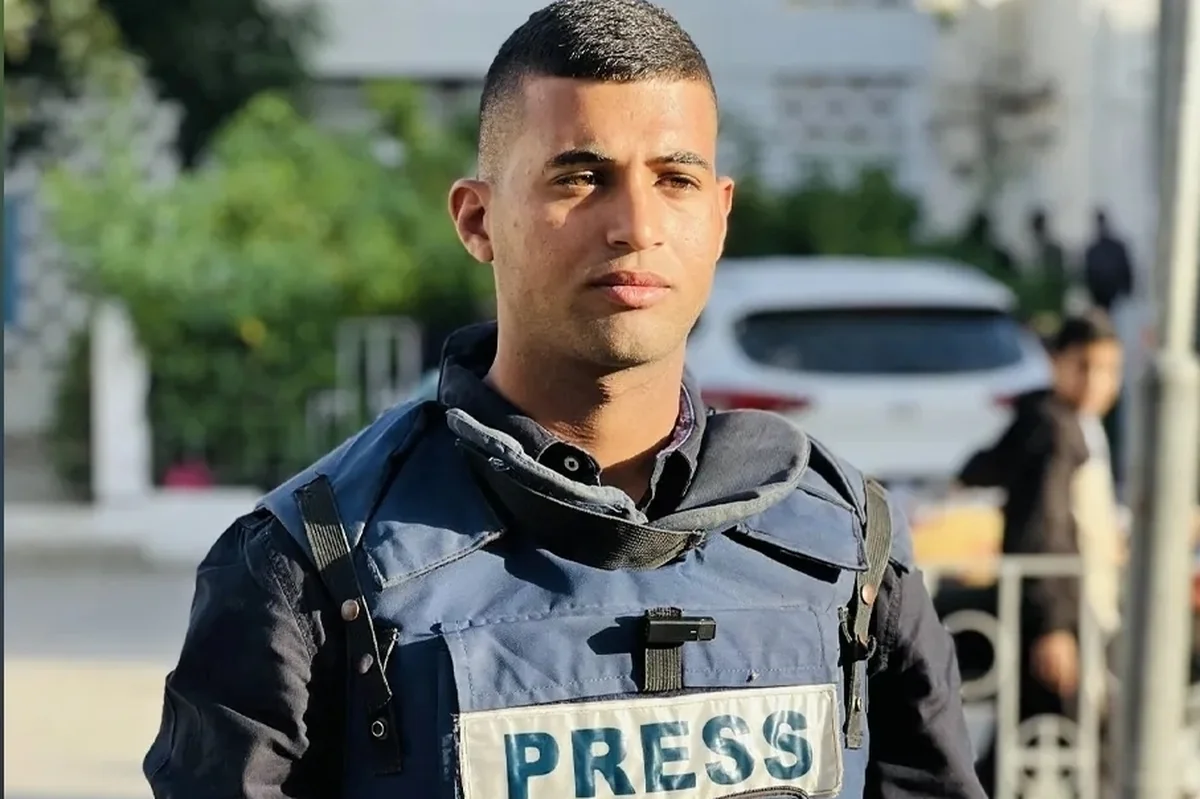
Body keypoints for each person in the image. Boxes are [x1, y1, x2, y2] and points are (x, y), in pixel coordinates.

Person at [143, 2, 984, 797]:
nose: (636, 226)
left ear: (720, 216)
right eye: (581, 177)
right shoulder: (310, 567)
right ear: (477, 220)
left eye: (676, 179)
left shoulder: (849, 548)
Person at [958, 311, 1125, 795]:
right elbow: (1042, 530)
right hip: (1057, 613)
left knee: (1022, 745)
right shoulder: (1053, 427)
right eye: (1084, 366)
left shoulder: (1063, 421)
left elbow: (981, 469)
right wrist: (1054, 626)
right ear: (1057, 363)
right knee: (1088, 746)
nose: (1096, 382)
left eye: (1108, 370)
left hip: (1063, 610)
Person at [1082, 209, 1135, 314]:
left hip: (1114, 293)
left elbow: (1125, 268)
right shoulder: (1094, 249)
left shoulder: (1100, 249)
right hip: (1102, 293)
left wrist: (1127, 288)